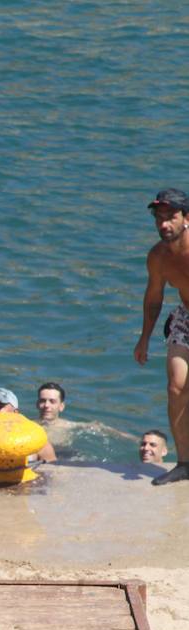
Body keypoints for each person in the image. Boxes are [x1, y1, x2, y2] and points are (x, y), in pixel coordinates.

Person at [135, 188, 189, 485]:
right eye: (159, 218)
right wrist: (144, 338)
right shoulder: (157, 256)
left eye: (171, 217)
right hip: (186, 318)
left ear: (187, 218)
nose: (164, 224)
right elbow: (154, 298)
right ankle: (184, 463)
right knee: (176, 388)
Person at [35, 381, 134, 448]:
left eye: (52, 401)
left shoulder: (69, 426)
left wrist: (133, 439)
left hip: (65, 457)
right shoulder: (27, 425)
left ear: (61, 406)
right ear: (37, 404)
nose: (47, 405)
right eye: (43, 401)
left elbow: (100, 427)